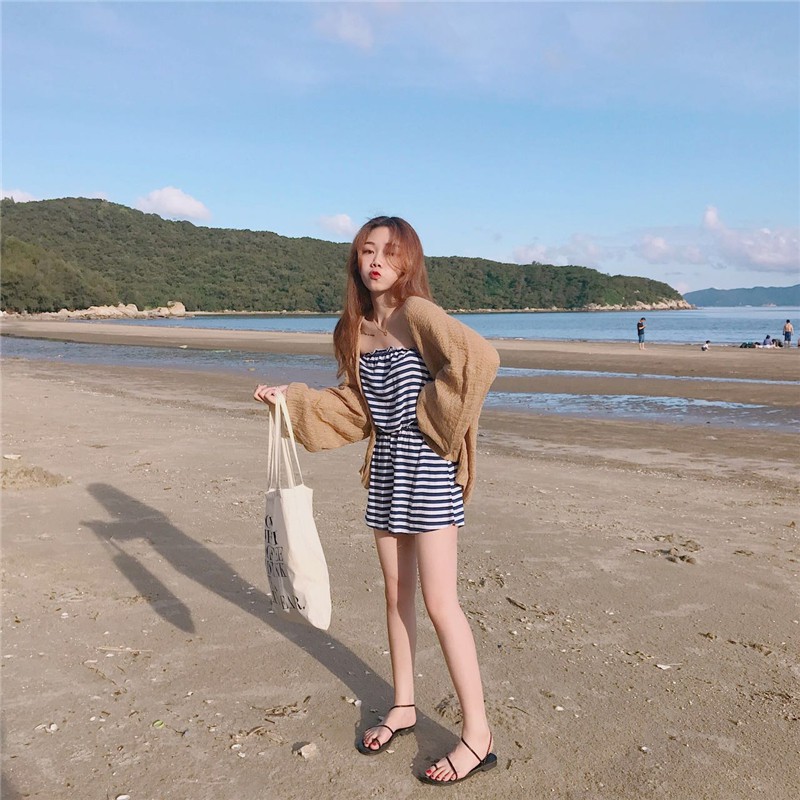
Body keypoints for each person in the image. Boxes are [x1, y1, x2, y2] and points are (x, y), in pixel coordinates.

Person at [253, 216, 500, 785]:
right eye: (368, 251)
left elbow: (479, 360)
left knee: (441, 603)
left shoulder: (418, 314)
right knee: (396, 595)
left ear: (408, 260)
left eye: (389, 252)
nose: (377, 261)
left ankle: (478, 734)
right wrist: (290, 400)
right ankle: (404, 705)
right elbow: (354, 407)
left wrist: (431, 416)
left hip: (428, 470)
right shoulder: (355, 328)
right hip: (387, 470)